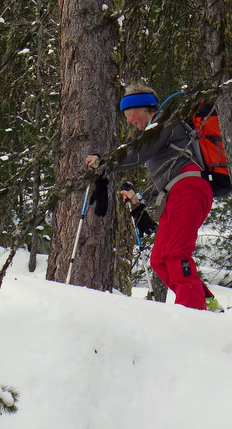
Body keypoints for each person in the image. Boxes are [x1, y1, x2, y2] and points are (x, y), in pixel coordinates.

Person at [86, 83, 220, 311]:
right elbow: (167, 176)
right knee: (159, 258)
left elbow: (138, 154)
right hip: (179, 191)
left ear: (144, 108)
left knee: (176, 252)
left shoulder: (164, 123)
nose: (128, 121)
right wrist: (140, 197)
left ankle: (192, 311)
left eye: (129, 114)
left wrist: (105, 162)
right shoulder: (159, 132)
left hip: (189, 190)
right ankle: (203, 299)